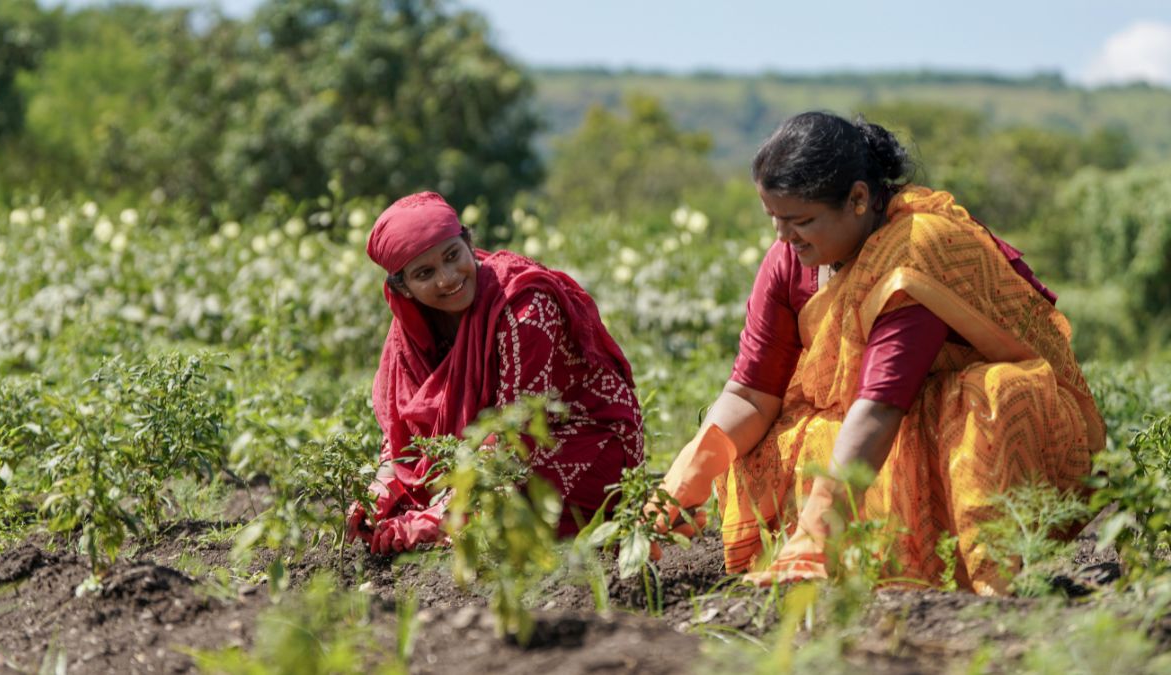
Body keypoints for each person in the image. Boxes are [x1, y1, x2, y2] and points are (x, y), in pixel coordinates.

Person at [652, 112, 1104, 595]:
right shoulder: (789, 260)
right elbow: (751, 393)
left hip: (945, 424)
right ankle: (823, 569)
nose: (783, 237)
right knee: (768, 442)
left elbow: (882, 404)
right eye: (774, 219)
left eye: (801, 221)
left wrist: (816, 532)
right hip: (873, 426)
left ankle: (981, 581)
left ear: (859, 200)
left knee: (993, 394)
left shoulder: (914, 253)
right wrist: (682, 482)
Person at [345, 191, 644, 554]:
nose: (447, 279)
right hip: (485, 456)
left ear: (469, 244)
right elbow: (401, 435)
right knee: (399, 512)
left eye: (453, 256)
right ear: (403, 287)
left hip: (576, 440)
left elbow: (515, 437)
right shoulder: (409, 330)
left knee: (494, 517)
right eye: (425, 273)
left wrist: (434, 518)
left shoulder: (524, 308)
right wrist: (379, 491)